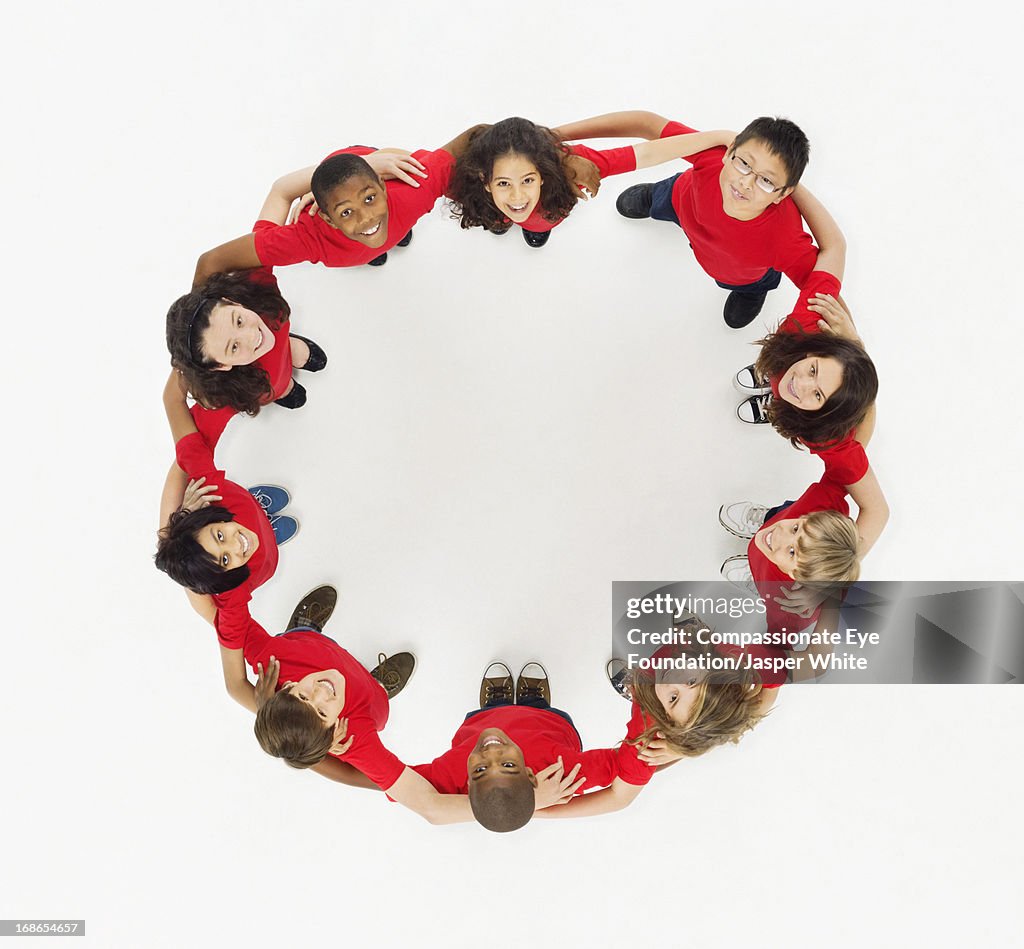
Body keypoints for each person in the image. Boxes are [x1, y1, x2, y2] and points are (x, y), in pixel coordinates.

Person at [724, 186, 889, 559]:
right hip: (797, 353)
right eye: (814, 370)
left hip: (827, 408)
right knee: (785, 369)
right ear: (818, 348)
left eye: (818, 395)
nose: (802, 383)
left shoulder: (831, 440)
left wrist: (826, 574)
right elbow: (835, 247)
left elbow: (877, 510)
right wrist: (791, 185)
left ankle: (776, 406)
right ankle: (771, 381)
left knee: (800, 391)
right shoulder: (807, 324)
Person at [550, 110, 818, 328]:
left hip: (737, 272)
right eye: (744, 164)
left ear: (783, 194)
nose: (745, 182)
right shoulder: (711, 154)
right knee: (665, 196)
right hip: (683, 203)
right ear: (729, 152)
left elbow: (821, 291)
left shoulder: (785, 238)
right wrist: (555, 136)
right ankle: (653, 197)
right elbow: (647, 123)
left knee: (751, 282)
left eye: (766, 181)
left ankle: (751, 292)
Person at [257, 658, 586, 827]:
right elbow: (432, 809)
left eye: (302, 696)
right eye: (320, 711)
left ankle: (503, 711)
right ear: (331, 736)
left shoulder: (291, 703)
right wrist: (527, 803)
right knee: (506, 726)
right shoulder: (357, 746)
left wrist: (262, 704)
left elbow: (235, 685)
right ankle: (521, 708)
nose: (319, 694)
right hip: (520, 741)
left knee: (493, 729)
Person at [192, 133, 485, 283]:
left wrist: (484, 202)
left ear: (383, 185)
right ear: (327, 219)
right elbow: (210, 262)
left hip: (367, 161)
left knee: (384, 224)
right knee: (374, 231)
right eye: (345, 212)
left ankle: (373, 189)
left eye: (370, 199)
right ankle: (375, 238)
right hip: (339, 180)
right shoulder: (306, 238)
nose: (366, 216)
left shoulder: (412, 192)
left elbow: (469, 138)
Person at [155, 370, 294, 650]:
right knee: (261, 552)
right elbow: (231, 630)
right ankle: (267, 531)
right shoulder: (228, 588)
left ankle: (258, 509)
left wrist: (241, 386)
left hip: (234, 507)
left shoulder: (208, 493)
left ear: (204, 515)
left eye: (219, 537)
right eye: (225, 560)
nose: (235, 545)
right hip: (256, 560)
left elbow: (188, 438)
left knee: (242, 518)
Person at [445, 117, 733, 249]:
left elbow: (645, 152)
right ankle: (502, 224)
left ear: (544, 173)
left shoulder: (578, 167)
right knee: (502, 216)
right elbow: (419, 169)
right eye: (503, 183)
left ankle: (535, 229)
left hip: (545, 215)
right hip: (488, 210)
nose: (518, 195)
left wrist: (719, 136)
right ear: (484, 181)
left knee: (538, 222)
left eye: (528, 180)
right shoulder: (463, 184)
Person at [166, 266, 326, 448]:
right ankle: (282, 390)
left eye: (239, 321)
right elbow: (195, 443)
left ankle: (290, 347)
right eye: (233, 347)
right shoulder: (224, 394)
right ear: (220, 366)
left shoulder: (259, 288)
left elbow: (264, 243)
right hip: (269, 386)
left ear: (232, 302)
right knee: (278, 388)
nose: (251, 336)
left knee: (290, 351)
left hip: (282, 341)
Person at [606, 617, 776, 765]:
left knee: (645, 696)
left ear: (667, 718)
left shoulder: (644, 719)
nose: (675, 681)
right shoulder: (743, 659)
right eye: (692, 682)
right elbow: (767, 695)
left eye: (674, 698)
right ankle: (694, 633)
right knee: (695, 641)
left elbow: (633, 776)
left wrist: (679, 750)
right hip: (698, 650)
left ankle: (636, 688)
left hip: (651, 686)